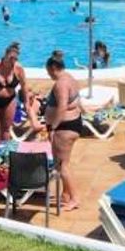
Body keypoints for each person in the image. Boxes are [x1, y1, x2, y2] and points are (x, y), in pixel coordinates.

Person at [44, 50, 82, 211]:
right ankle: (66, 195)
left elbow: (62, 107)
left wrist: (53, 127)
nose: (48, 75)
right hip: (72, 123)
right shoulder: (70, 78)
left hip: (64, 127)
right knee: (64, 162)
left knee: (61, 166)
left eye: (48, 71)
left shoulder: (61, 84)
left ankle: (74, 199)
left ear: (53, 68)